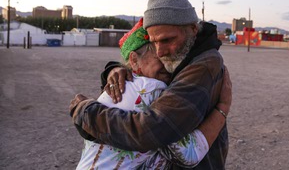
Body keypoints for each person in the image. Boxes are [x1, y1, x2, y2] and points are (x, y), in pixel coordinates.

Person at [70, 0, 232, 169]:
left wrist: (85, 111)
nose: (161, 52)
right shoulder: (180, 56)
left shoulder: (202, 65)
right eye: (154, 43)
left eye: (167, 40)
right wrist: (115, 69)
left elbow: (151, 131)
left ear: (193, 29)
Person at [75, 18, 216, 169]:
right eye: (159, 56)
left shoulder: (124, 83)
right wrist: (222, 108)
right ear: (134, 60)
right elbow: (189, 154)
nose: (168, 63)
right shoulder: (151, 88)